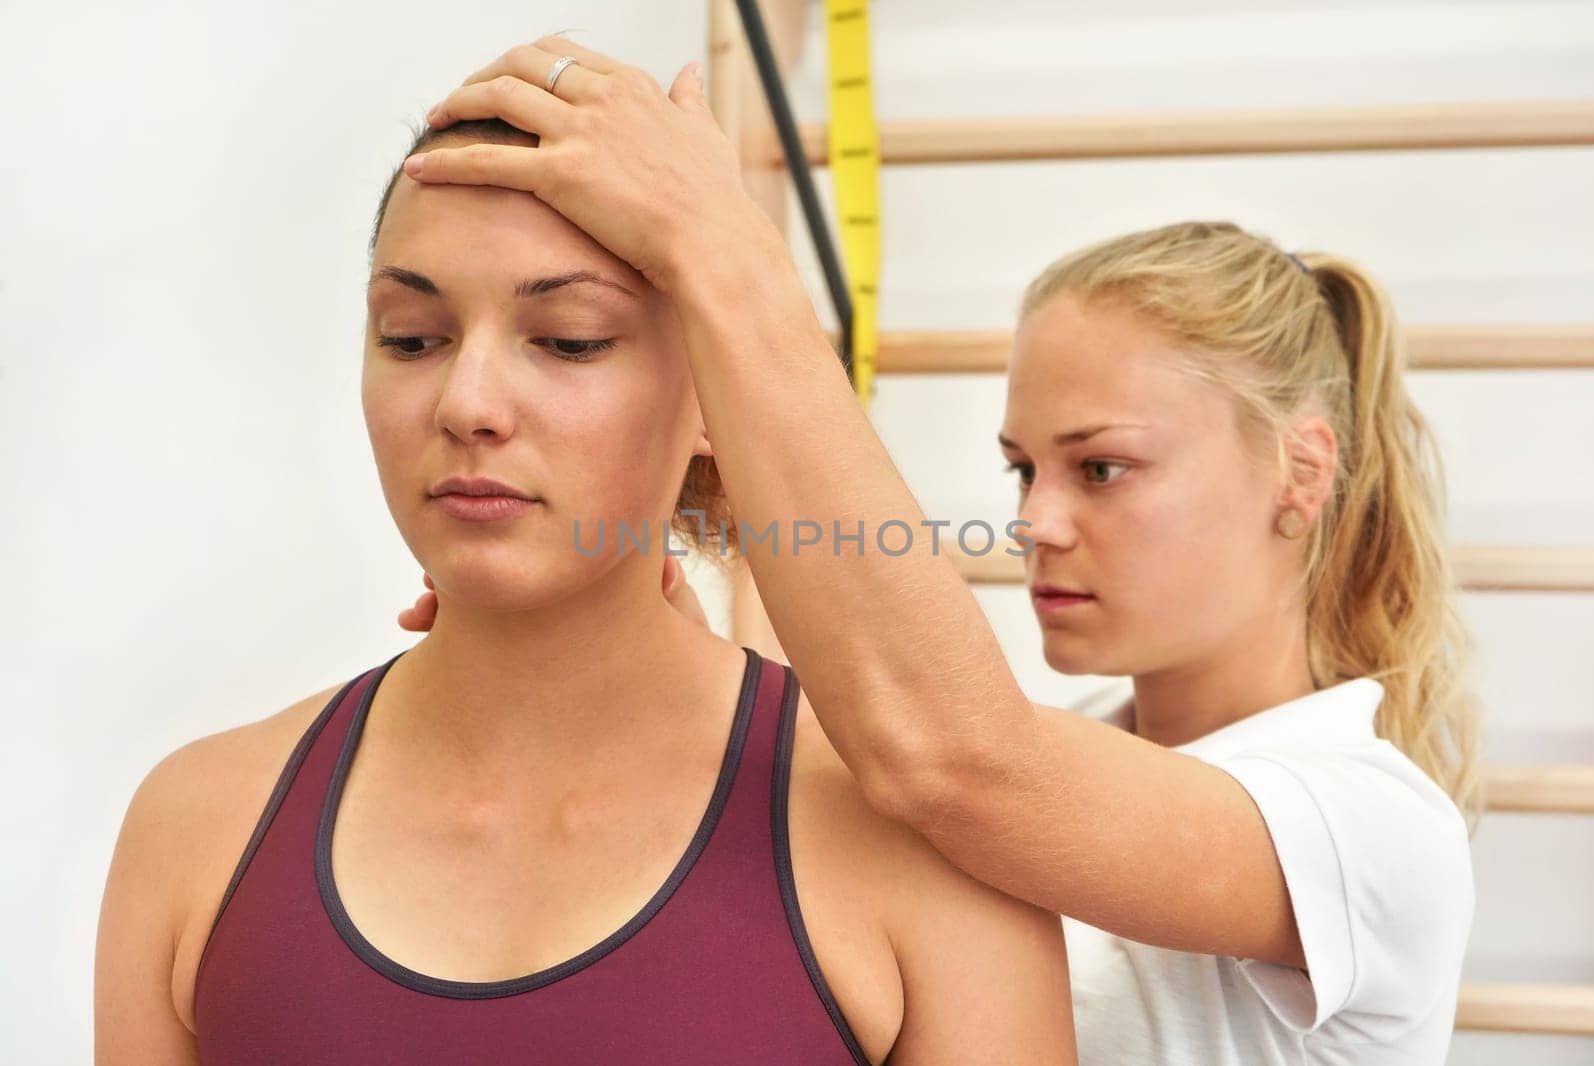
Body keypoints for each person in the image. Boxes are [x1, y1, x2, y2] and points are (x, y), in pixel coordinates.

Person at [394, 37, 1481, 1064]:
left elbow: (944, 752)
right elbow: (864, 735)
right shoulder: (1051, 763)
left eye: (1100, 468)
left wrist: (722, 252)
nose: (1036, 523)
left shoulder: (1366, 829)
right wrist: (630, 638)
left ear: (1299, 471)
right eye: (1023, 469)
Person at [90, 70, 1078, 1065]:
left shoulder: (925, 853)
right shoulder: (196, 827)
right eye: (413, 337)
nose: (467, 401)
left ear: (712, 401)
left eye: (569, 339)